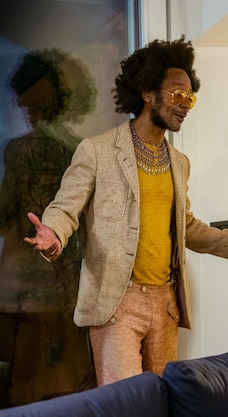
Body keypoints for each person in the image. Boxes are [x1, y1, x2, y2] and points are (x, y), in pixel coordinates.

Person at [22, 37, 228, 387]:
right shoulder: (97, 151)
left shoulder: (179, 163)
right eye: (176, 94)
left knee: (161, 402)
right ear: (146, 92)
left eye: (190, 97)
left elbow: (186, 227)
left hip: (165, 303)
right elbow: (66, 207)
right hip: (116, 303)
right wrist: (53, 233)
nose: (185, 104)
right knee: (124, 403)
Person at [0, 49, 97, 406]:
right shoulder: (80, 148)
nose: (25, 111)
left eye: (29, 104)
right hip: (67, 284)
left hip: (31, 289)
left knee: (26, 384)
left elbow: (5, 213)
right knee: (66, 385)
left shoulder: (20, 150)